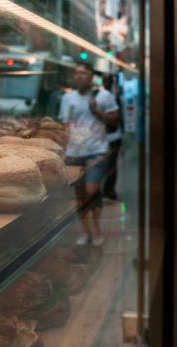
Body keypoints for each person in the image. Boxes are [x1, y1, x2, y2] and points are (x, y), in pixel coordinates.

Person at [59, 64, 120, 246]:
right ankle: (86, 232)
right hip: (74, 153)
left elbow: (115, 120)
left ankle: (97, 229)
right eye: (77, 73)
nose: (79, 77)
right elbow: (66, 123)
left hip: (97, 151)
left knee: (91, 190)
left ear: (92, 77)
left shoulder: (103, 96)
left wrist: (96, 111)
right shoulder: (67, 98)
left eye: (84, 73)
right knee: (80, 197)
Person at [101, 73, 122, 201]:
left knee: (111, 165)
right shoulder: (108, 96)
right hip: (108, 136)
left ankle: (108, 189)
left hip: (112, 136)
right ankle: (107, 189)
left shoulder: (110, 97)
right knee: (109, 165)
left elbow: (115, 119)